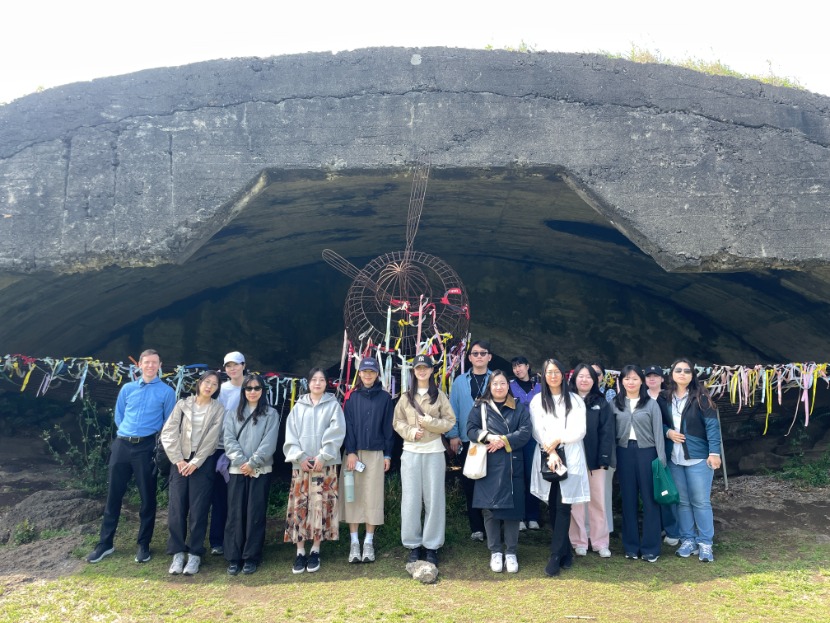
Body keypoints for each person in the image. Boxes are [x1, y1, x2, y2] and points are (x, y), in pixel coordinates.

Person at [87, 349, 177, 564]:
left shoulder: (166, 392)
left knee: (147, 498)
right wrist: (127, 435)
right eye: (146, 362)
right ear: (139, 364)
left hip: (146, 447)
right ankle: (105, 543)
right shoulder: (127, 388)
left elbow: (169, 423)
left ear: (160, 365)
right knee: (113, 495)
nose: (150, 366)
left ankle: (143, 544)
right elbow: (119, 415)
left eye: (154, 362)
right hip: (122, 445)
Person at [393, 354, 456, 567]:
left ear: (431, 371)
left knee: (434, 499)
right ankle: (413, 544)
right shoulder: (405, 397)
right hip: (410, 452)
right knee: (410, 500)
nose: (422, 371)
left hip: (434, 452)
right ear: (414, 371)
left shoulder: (439, 396)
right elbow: (397, 422)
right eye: (418, 368)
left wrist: (430, 423)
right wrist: (411, 432)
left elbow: (449, 421)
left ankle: (432, 546)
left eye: (425, 368)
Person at [161, 370, 225, 575]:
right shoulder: (183, 404)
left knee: (199, 510)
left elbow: (212, 439)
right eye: (207, 382)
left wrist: (196, 462)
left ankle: (195, 554)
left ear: (217, 389)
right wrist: (178, 459)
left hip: (202, 462)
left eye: (214, 384)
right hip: (179, 461)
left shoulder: (218, 409)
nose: (209, 386)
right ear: (199, 383)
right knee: (177, 508)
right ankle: (178, 552)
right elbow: (169, 432)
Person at [467, 370, 532, 574]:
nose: (498, 387)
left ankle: (511, 552)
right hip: (489, 463)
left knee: (512, 511)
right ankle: (495, 551)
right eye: (495, 384)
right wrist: (488, 437)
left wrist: (503, 441)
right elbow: (470, 429)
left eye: (502, 383)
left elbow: (525, 432)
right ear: (490, 386)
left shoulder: (519, 407)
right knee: (489, 509)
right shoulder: (480, 406)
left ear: (508, 385)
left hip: (512, 464)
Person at [529, 359, 589, 577]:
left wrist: (558, 441)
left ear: (563, 375)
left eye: (556, 372)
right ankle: (565, 551)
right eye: (548, 372)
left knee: (564, 505)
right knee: (552, 505)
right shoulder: (537, 401)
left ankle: (555, 555)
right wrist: (551, 451)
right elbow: (537, 430)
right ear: (543, 376)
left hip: (570, 454)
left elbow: (580, 429)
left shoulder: (574, 400)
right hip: (547, 456)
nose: (553, 376)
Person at [283, 367, 346, 574]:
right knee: (300, 506)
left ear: (326, 383)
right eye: (313, 380)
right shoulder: (298, 407)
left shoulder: (333, 405)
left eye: (321, 380)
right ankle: (300, 551)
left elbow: (337, 432)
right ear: (308, 383)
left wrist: (322, 456)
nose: (317, 383)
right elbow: (290, 435)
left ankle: (316, 549)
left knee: (320, 506)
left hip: (324, 465)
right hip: (301, 465)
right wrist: (300, 457)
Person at [663, 358, 722, 562]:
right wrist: (668, 432)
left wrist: (714, 452)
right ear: (672, 374)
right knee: (683, 502)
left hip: (698, 458)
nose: (682, 374)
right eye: (678, 370)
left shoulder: (701, 397)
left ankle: (705, 543)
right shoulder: (665, 398)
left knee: (701, 502)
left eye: (687, 371)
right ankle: (688, 539)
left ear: (692, 375)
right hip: (675, 458)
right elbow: (657, 423)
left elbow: (712, 427)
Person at [223, 373, 280, 575]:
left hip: (260, 469)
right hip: (237, 470)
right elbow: (228, 440)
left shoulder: (271, 414)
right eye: (249, 388)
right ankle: (233, 556)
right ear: (243, 391)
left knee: (255, 513)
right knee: (235, 513)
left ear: (262, 391)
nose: (253, 392)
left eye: (257, 388)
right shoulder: (232, 414)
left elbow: (269, 442)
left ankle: (251, 556)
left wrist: (253, 463)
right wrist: (242, 462)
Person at [341, 356, 394, 563]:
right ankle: (354, 542)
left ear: (377, 374)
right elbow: (348, 426)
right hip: (353, 454)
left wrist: (388, 454)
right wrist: (351, 451)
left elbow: (388, 429)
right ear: (360, 374)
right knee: (352, 496)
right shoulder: (351, 398)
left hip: (376, 454)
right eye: (365, 372)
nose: (368, 375)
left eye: (372, 372)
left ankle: (369, 542)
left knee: (373, 497)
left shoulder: (385, 398)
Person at [612, 365, 666, 563]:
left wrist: (661, 461)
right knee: (628, 500)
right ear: (622, 382)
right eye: (627, 379)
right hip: (624, 453)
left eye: (634, 378)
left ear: (641, 381)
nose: (631, 382)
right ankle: (631, 546)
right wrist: (611, 459)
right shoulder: (615, 404)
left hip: (648, 453)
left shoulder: (651, 404)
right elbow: (610, 434)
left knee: (650, 501)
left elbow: (659, 432)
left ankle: (651, 547)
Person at [567, 363, 614, 558]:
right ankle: (578, 541)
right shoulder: (566, 400)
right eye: (581, 376)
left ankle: (600, 542)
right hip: (572, 459)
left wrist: (604, 458)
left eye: (589, 376)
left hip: (596, 460)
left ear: (595, 381)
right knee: (576, 502)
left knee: (597, 501)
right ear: (574, 378)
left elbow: (607, 432)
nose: (584, 379)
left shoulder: (601, 402)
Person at [448, 339, 493, 542]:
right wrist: (454, 435)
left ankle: (493, 525)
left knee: (492, 482)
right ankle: (476, 527)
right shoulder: (459, 382)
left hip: (492, 440)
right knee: (470, 483)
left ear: (489, 357)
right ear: (469, 357)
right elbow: (453, 410)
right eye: (475, 353)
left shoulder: (496, 379)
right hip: (468, 440)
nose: (479, 357)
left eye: (483, 353)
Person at [209, 351, 247, 556]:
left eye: (236, 364)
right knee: (220, 497)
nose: (232, 369)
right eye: (228, 366)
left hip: (246, 449)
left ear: (243, 365)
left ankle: (239, 538)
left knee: (240, 497)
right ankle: (217, 540)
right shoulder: (221, 390)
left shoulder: (251, 387)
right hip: (221, 448)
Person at [644, 364, 680, 548]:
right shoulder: (640, 398)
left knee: (665, 487)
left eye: (655, 376)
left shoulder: (668, 398)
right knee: (650, 491)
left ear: (662, 379)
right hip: (644, 450)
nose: (652, 379)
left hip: (665, 449)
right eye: (648, 376)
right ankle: (657, 527)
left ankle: (673, 529)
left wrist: (666, 433)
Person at [509, 356, 542, 532]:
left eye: (520, 365)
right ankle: (518, 516)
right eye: (514, 367)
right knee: (517, 476)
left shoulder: (539, 387)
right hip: (515, 436)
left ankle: (533, 515)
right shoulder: (509, 386)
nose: (517, 369)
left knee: (532, 476)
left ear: (528, 366)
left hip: (534, 438)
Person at [591, 361, 617, 535]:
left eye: (598, 374)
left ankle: (603, 531)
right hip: (584, 452)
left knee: (603, 493)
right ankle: (585, 532)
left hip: (606, 450)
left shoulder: (611, 394)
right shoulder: (576, 396)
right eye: (589, 374)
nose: (594, 377)